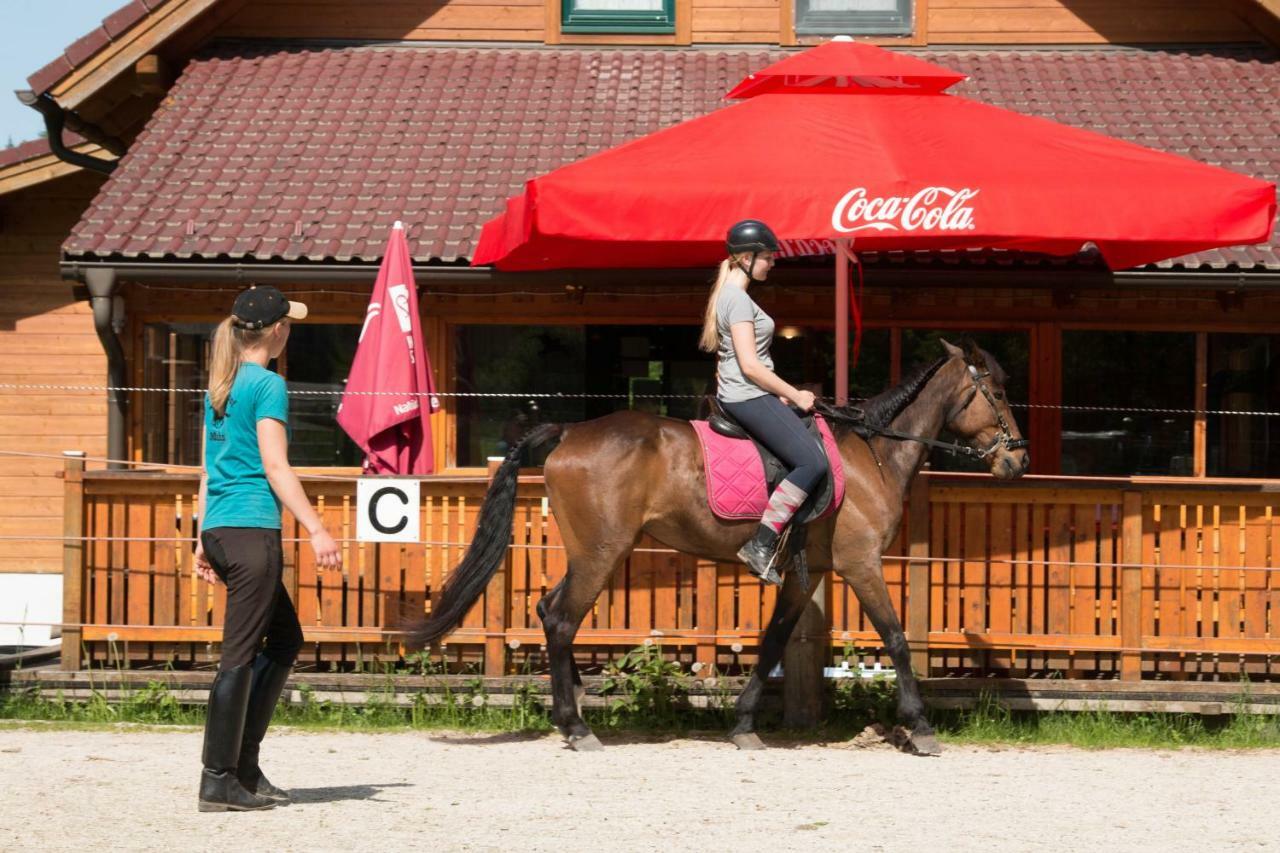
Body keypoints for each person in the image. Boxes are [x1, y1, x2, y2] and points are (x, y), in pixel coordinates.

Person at [193, 284, 343, 812]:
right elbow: (275, 466)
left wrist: (201, 538)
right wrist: (316, 527)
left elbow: (209, 470)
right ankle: (218, 779)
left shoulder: (220, 382)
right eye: (290, 324)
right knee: (238, 656)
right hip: (252, 529)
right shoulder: (267, 385)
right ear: (277, 330)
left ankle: (245, 768)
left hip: (222, 528)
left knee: (283, 638)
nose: (291, 331)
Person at [699, 220, 827, 587]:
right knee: (811, 461)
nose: (772, 263)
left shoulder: (732, 296)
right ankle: (761, 543)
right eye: (768, 257)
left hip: (751, 392)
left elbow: (735, 362)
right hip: (748, 395)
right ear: (745, 257)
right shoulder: (737, 300)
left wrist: (780, 393)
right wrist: (796, 392)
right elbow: (751, 365)